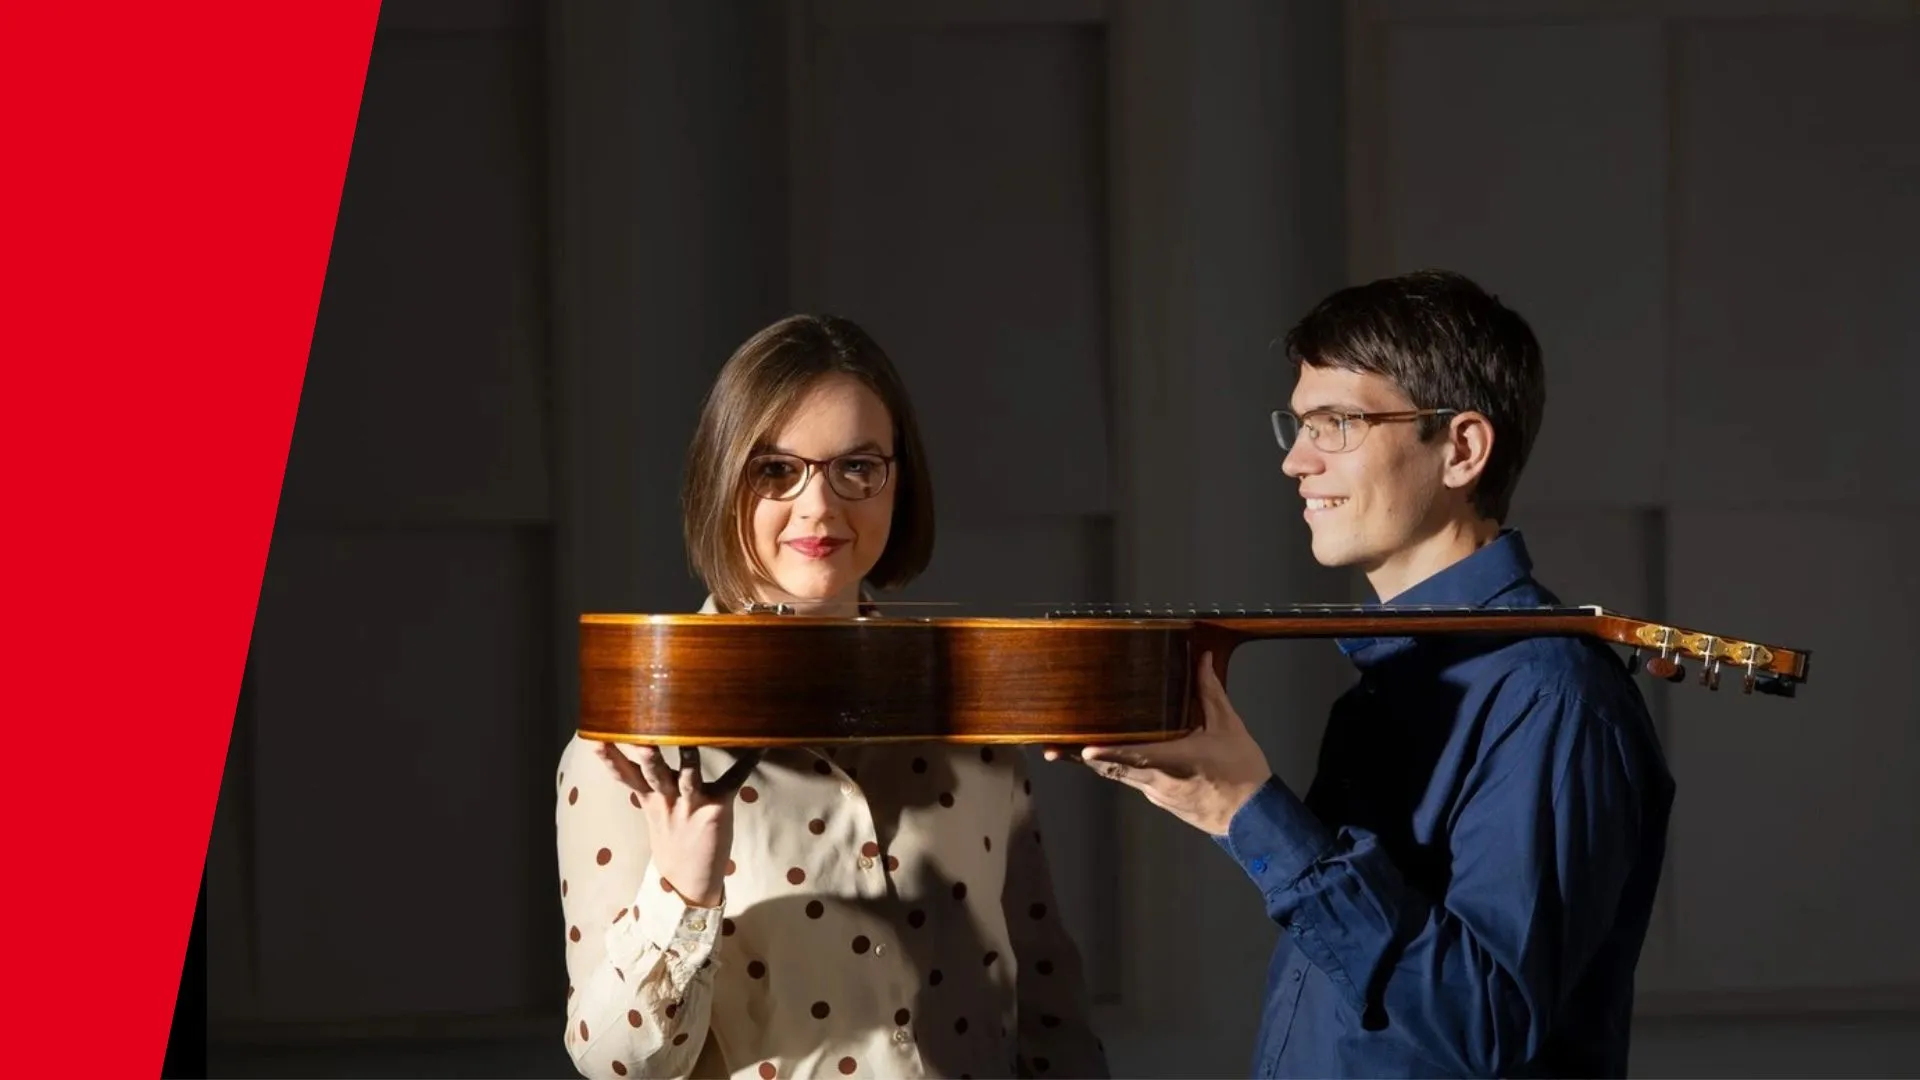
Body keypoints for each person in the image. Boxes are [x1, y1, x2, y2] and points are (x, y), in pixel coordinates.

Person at [1062, 270, 1676, 1078]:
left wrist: (1248, 809)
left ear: (1460, 448)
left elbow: (1482, 1027)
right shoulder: (1387, 692)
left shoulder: (1551, 697)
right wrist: (1214, 803)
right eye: (1299, 423)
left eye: (1338, 423)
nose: (1295, 461)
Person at [555, 313, 1109, 1080]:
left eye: (858, 468)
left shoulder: (965, 706)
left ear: (897, 480)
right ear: (722, 478)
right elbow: (613, 1063)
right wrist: (682, 890)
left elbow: (1051, 1012)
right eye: (777, 470)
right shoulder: (629, 747)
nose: (820, 507)